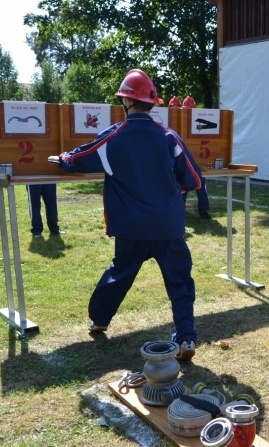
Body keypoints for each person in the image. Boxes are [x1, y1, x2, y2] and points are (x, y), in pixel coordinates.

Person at [50, 69, 203, 361]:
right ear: (152, 103)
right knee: (180, 281)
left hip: (131, 227)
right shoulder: (168, 137)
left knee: (119, 273)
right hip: (167, 227)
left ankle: (99, 320)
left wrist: (63, 159)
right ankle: (186, 338)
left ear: (125, 102)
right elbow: (194, 180)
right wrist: (176, 193)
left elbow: (79, 158)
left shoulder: (114, 137)